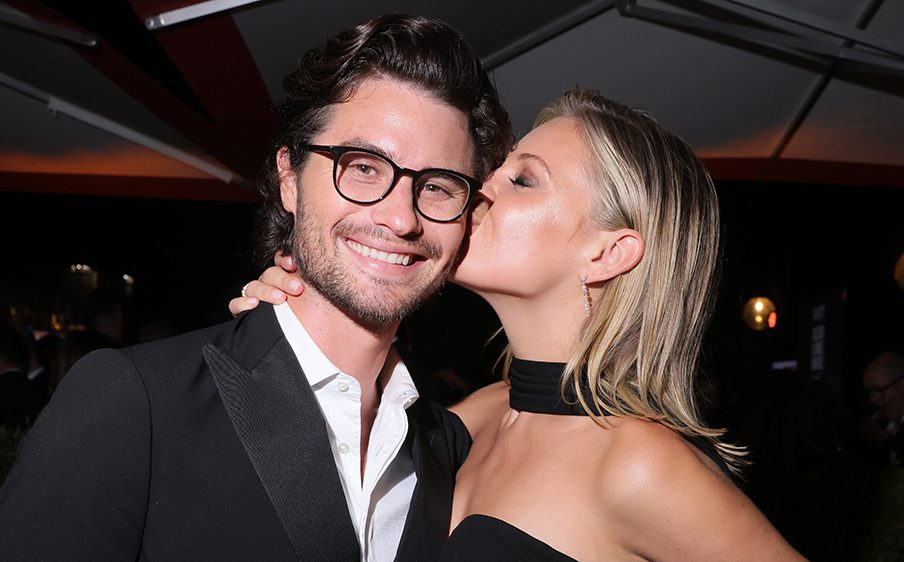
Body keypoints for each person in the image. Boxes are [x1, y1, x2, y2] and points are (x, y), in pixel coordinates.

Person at [0, 14, 510, 561]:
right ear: (290, 180)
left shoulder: (443, 444)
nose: (400, 218)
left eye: (438, 185)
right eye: (363, 167)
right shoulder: (136, 402)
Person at [234, 87, 805, 559]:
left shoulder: (638, 464)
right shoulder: (474, 417)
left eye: (524, 180)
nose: (478, 189)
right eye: (497, 170)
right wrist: (302, 332)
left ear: (609, 253)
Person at [857, 351, 904, 464]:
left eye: (878, 390)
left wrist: (883, 438)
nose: (871, 400)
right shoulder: (886, 422)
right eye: (870, 392)